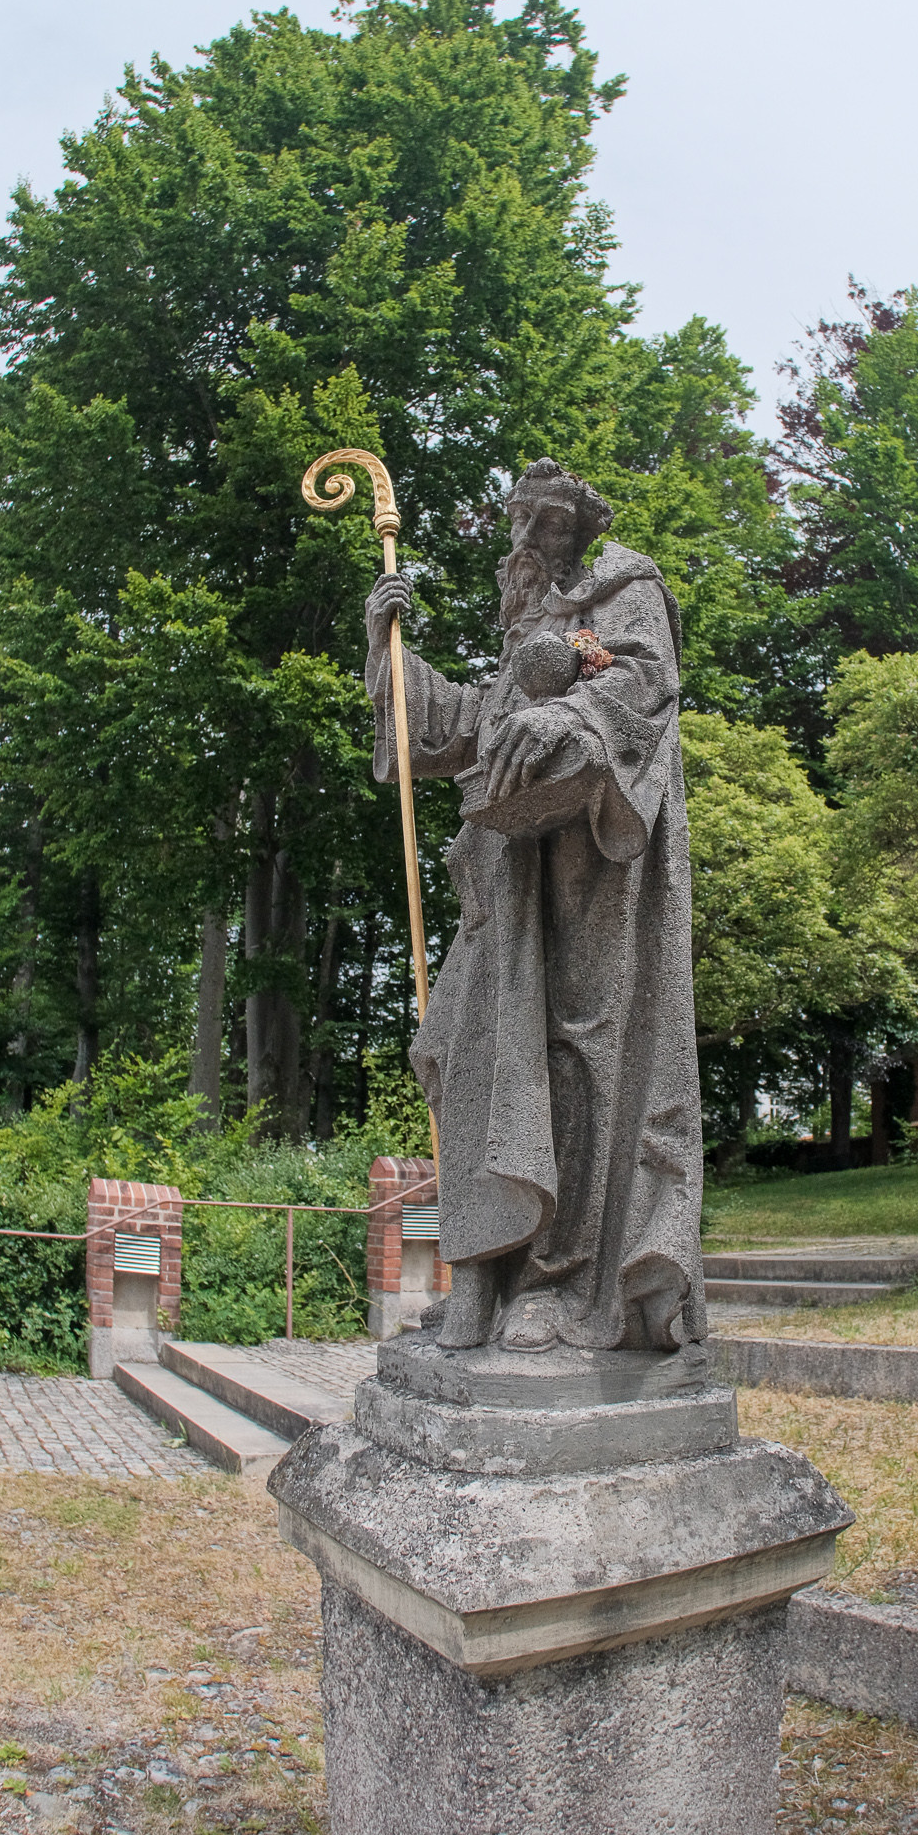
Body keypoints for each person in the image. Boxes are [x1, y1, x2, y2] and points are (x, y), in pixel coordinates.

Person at [365, 458, 705, 1354]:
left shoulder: (625, 588)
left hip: (591, 879)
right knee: (458, 1051)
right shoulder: (525, 639)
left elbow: (642, 683)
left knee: (569, 1063)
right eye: (519, 522)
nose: (528, 539)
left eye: (548, 521)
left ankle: (556, 1284)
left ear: (581, 529)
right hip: (504, 890)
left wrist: (571, 716)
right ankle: (484, 1271)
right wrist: (390, 650)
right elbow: (452, 728)